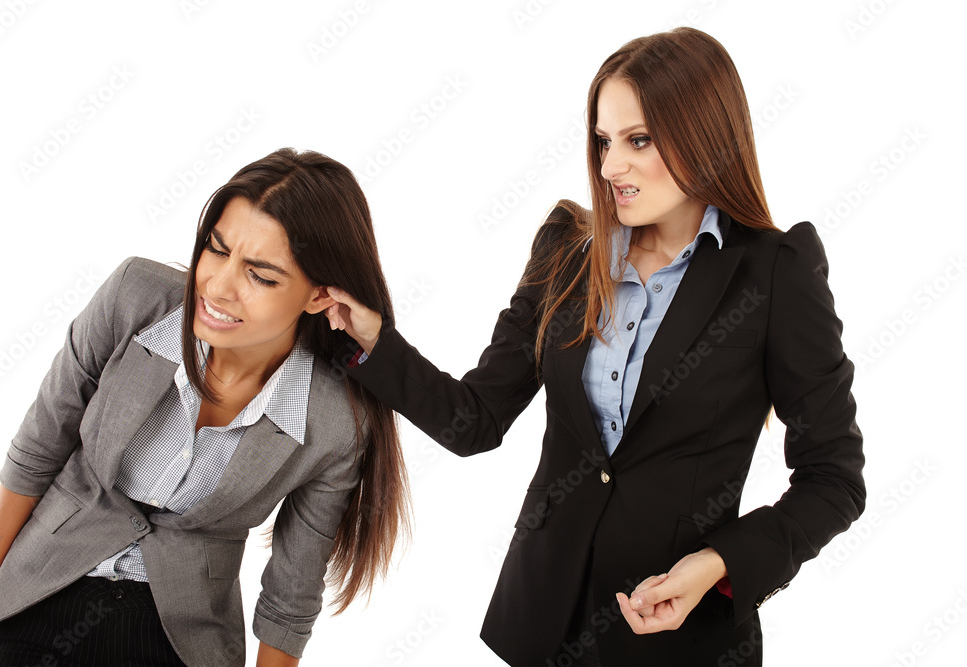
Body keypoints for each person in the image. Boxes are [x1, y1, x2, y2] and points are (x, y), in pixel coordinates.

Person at [324, 27, 865, 666]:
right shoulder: (566, 254)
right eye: (604, 141)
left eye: (638, 141)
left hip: (683, 640)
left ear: (706, 136)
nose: (610, 167)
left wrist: (719, 565)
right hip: (544, 626)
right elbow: (475, 419)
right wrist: (372, 341)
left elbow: (834, 480)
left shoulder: (775, 272)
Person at [0, 148, 410, 667]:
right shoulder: (134, 298)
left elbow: (289, 597)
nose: (218, 288)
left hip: (181, 636)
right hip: (43, 589)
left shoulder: (335, 421)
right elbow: (36, 452)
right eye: (216, 251)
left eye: (260, 276)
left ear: (319, 296)